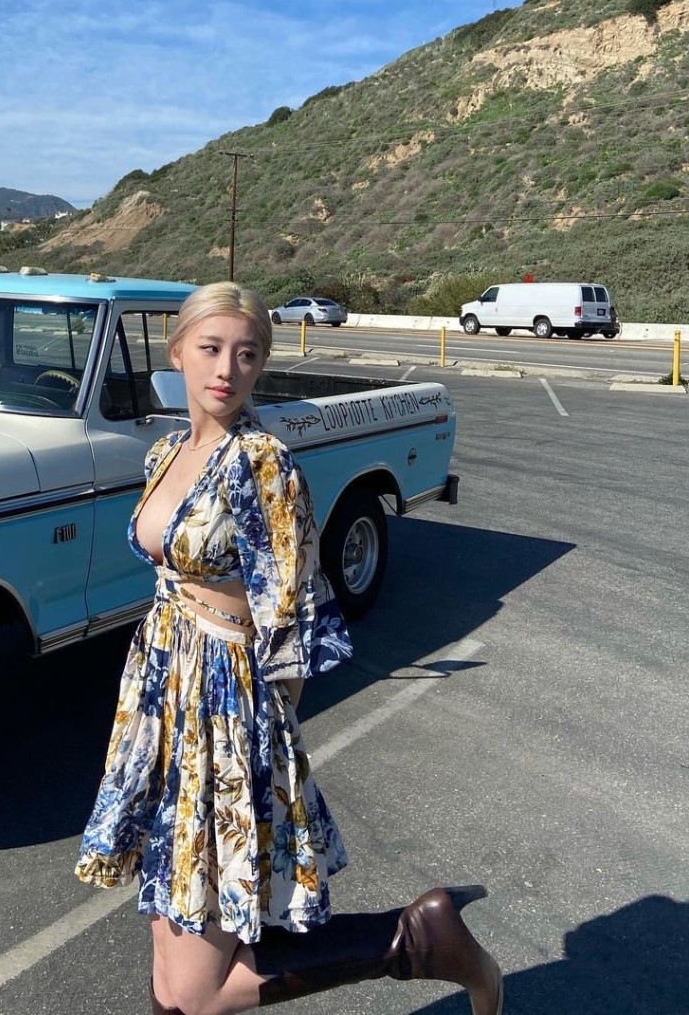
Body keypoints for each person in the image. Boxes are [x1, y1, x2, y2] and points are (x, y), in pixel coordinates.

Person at [75, 282, 502, 1015]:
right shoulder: (168, 451)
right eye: (210, 348)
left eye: (247, 354)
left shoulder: (261, 462)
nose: (227, 369)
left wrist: (269, 739)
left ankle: (419, 939)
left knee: (197, 988)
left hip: (227, 704)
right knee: (168, 941)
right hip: (164, 688)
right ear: (176, 353)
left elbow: (294, 611)